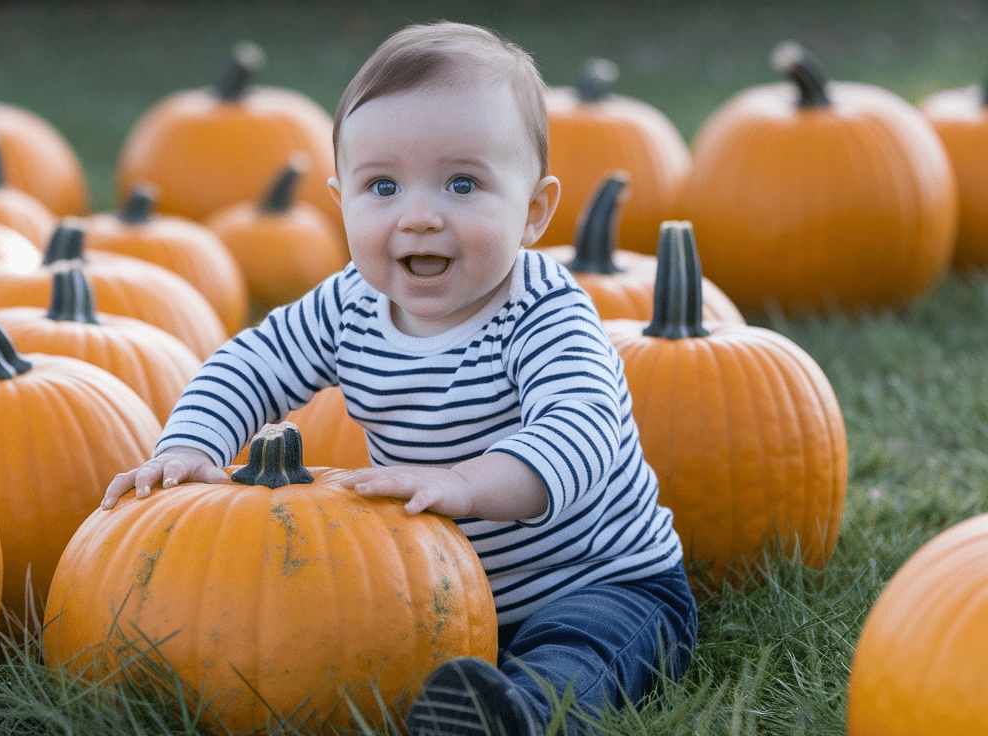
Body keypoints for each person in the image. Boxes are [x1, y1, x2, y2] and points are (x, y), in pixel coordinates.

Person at [102, 20, 697, 736]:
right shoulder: (348, 303)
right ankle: (458, 702)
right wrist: (193, 443)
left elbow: (580, 434)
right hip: (450, 595)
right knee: (365, 640)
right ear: (341, 201)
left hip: (598, 582)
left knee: (581, 653)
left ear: (533, 212)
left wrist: (464, 484)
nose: (419, 217)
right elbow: (251, 363)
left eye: (462, 183)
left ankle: (525, 719)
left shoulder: (543, 311)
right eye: (382, 186)